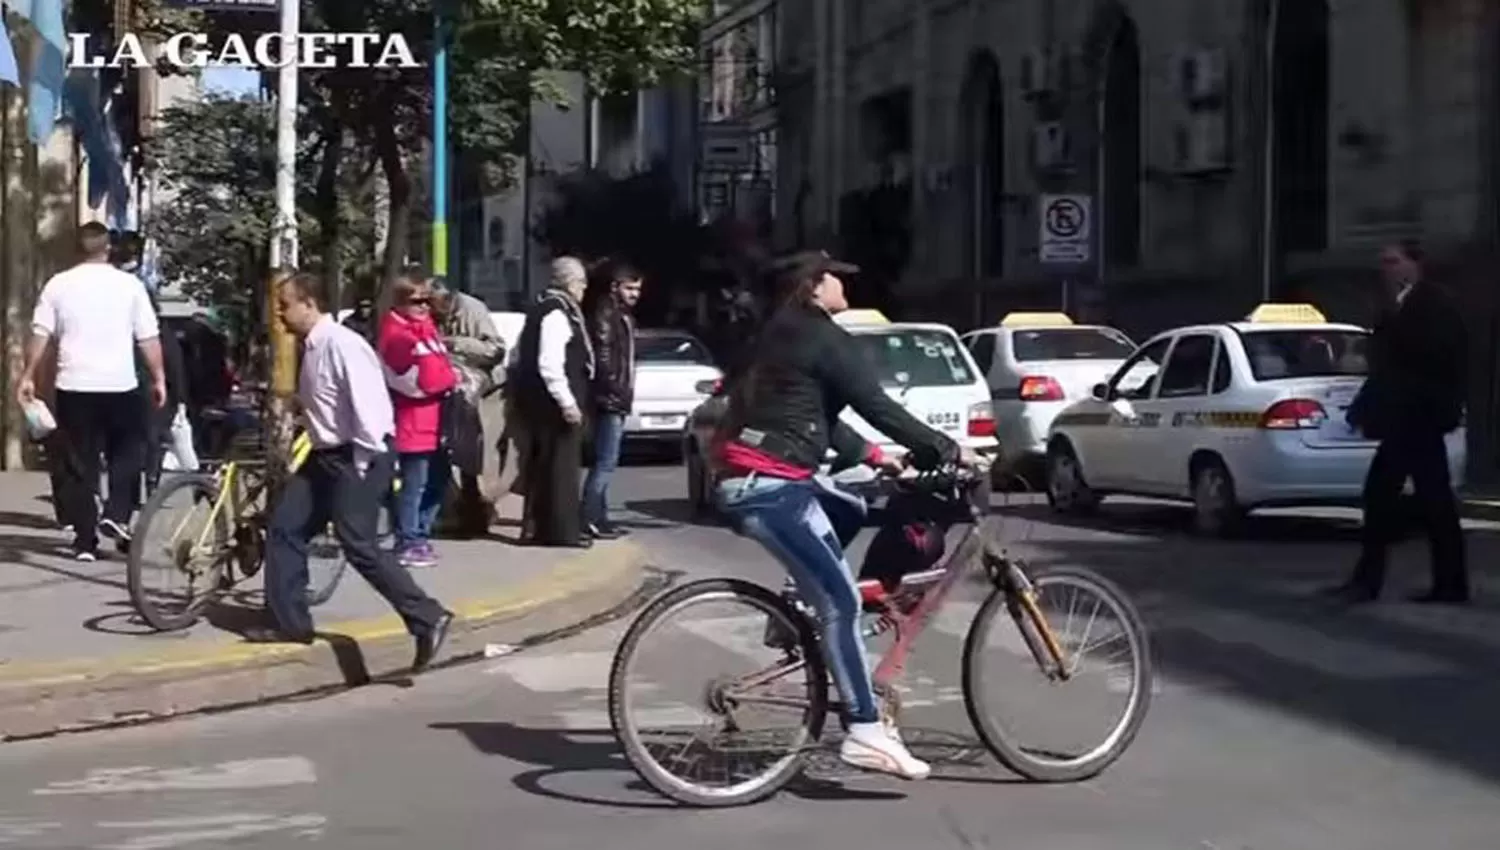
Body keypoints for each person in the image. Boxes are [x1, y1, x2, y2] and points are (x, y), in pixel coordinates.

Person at [710, 249, 972, 781]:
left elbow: (814, 415)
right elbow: (878, 407)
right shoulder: (824, 336)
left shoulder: (772, 335)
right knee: (843, 604)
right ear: (811, 288)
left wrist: (877, 457)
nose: (844, 286)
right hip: (771, 486)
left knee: (849, 505)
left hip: (749, 479)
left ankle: (792, 613)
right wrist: (946, 450)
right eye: (835, 278)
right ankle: (865, 731)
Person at [255, 271, 453, 668]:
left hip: (360, 455)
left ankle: (428, 616)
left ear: (309, 304)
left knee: (358, 543)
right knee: (285, 526)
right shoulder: (313, 345)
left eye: (286, 304)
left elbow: (371, 411)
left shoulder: (344, 345)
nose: (280, 314)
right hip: (326, 454)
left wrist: (360, 467)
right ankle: (291, 623)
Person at [1327, 239, 1469, 604]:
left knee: (1398, 497)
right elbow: (1388, 369)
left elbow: (1434, 362)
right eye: (1383, 263)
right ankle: (1440, 583)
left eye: (1393, 261)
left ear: (1414, 264)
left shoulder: (1433, 304)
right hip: (1405, 419)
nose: (1386, 269)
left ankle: (1379, 582)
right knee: (1420, 500)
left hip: (1419, 418)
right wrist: (1363, 408)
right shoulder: (1396, 306)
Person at [16, 222, 166, 561]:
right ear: (107, 249)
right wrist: (159, 378)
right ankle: (116, 514)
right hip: (120, 385)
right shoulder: (129, 286)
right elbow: (148, 337)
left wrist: (28, 374)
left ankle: (85, 541)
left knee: (80, 463)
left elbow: (40, 334)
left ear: (77, 250)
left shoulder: (58, 285)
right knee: (128, 452)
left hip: (74, 387)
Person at [511, 257, 594, 548]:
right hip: (551, 406)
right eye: (582, 283)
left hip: (540, 403)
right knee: (560, 469)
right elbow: (550, 364)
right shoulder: (556, 313)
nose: (584, 289)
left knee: (543, 467)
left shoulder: (543, 307)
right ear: (571, 283)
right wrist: (567, 403)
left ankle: (539, 529)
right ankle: (561, 532)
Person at [378, 274, 459, 568]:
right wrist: (446, 379)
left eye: (427, 300)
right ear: (400, 302)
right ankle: (408, 541)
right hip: (412, 422)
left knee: (439, 481)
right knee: (415, 485)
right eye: (416, 301)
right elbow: (416, 382)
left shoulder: (425, 330)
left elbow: (441, 370)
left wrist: (444, 377)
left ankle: (419, 535)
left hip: (434, 420)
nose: (424, 306)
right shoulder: (397, 335)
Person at [430, 278, 508, 536]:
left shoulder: (472, 310)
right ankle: (457, 509)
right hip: (449, 387)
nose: (432, 311)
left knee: (474, 452)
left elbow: (495, 350)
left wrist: (455, 343)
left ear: (449, 299)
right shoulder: (430, 312)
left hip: (480, 390)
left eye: (436, 305)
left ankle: (476, 509)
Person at [582, 262, 643, 539]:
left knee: (606, 461)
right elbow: (604, 359)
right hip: (608, 399)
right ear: (615, 287)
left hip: (614, 398)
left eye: (638, 289)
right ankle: (591, 518)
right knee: (605, 462)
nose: (635, 294)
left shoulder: (621, 315)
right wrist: (616, 391)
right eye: (629, 288)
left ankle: (599, 517)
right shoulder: (607, 314)